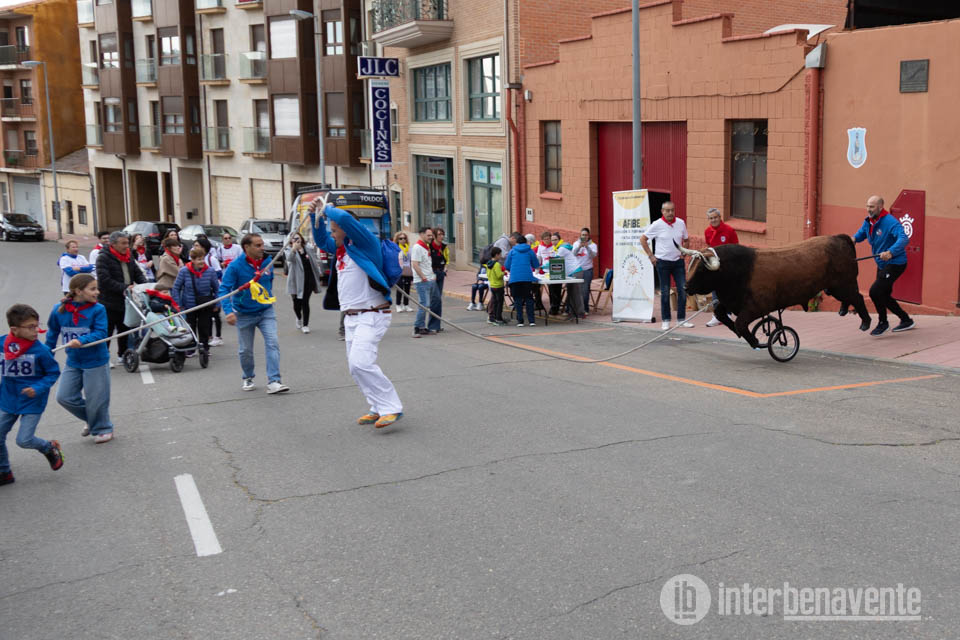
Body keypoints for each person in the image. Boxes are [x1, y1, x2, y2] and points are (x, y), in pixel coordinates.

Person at [309, 204, 403, 428]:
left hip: (372, 314)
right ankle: (377, 406)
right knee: (355, 367)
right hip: (351, 318)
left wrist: (327, 208)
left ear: (347, 229)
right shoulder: (341, 249)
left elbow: (344, 218)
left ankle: (391, 407)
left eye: (334, 230)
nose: (332, 234)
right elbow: (321, 241)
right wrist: (314, 216)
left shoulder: (366, 243)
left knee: (361, 363)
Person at [46, 274, 115, 443]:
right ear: (78, 291)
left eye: (97, 288)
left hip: (96, 361)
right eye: (92, 289)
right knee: (64, 397)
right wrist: (47, 357)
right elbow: (52, 334)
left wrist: (82, 340)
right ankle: (93, 419)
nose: (97, 292)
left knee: (96, 399)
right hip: (73, 361)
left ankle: (103, 427)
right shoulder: (58, 309)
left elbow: (101, 333)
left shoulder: (98, 309)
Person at [1, 304, 63, 486]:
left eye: (37, 325)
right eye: (30, 327)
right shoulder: (2, 344)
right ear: (14, 329)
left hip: (32, 401)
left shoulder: (40, 350)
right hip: (7, 399)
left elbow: (53, 372)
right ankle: (4, 472)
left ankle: (49, 447)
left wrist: (37, 387)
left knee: (24, 440)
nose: (36, 331)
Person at [219, 233, 289, 394]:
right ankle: (248, 376)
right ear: (246, 247)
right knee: (245, 350)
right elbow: (224, 289)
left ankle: (274, 381)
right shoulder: (235, 266)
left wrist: (266, 298)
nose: (262, 248)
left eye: (262, 244)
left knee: (272, 342)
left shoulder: (268, 262)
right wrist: (228, 311)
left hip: (266, 311)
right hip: (244, 313)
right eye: (258, 245)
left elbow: (269, 282)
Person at [853, 195, 914, 336]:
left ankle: (883, 322)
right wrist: (853, 239)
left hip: (895, 263)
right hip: (882, 264)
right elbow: (862, 233)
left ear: (880, 207)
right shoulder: (869, 221)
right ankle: (906, 320)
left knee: (875, 292)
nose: (868, 209)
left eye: (872, 206)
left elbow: (904, 238)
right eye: (867, 206)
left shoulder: (890, 222)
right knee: (884, 294)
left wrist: (891, 252)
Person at [640, 201, 695, 330]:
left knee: (682, 290)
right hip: (662, 262)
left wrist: (684, 253)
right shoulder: (657, 224)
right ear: (662, 211)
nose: (670, 213)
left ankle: (681, 320)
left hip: (678, 262)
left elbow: (686, 240)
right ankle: (666, 320)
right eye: (667, 210)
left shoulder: (681, 223)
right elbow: (643, 239)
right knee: (665, 292)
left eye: (672, 210)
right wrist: (651, 256)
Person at [96, 231, 146, 364]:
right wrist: (124, 287)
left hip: (126, 300)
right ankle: (103, 357)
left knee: (124, 329)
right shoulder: (103, 257)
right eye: (123, 243)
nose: (126, 246)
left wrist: (145, 285)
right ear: (113, 244)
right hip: (108, 301)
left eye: (127, 243)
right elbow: (104, 280)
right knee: (107, 331)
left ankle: (122, 355)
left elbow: (137, 273)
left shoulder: (129, 256)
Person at [173, 246, 220, 355]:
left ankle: (204, 348)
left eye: (203, 258)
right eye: (199, 259)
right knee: (190, 327)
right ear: (193, 260)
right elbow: (176, 288)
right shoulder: (184, 271)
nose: (202, 261)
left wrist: (217, 303)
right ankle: (191, 348)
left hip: (205, 304)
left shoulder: (210, 271)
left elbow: (217, 288)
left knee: (204, 327)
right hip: (189, 304)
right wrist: (178, 304)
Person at [703, 208, 739, 327]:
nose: (713, 220)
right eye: (711, 218)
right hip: (714, 266)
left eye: (715, 217)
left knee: (727, 291)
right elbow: (709, 247)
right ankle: (717, 316)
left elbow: (736, 248)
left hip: (727, 266)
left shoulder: (729, 230)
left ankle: (727, 314)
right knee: (715, 291)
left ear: (720, 217)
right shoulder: (707, 231)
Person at [284, 231, 321, 334]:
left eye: (298, 238)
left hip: (308, 279)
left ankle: (305, 325)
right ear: (290, 241)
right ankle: (299, 317)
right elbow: (290, 260)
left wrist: (318, 273)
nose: (296, 240)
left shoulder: (307, 248)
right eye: (294, 238)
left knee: (305, 302)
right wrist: (294, 249)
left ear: (301, 238)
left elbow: (313, 261)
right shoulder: (289, 250)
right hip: (295, 280)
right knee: (296, 303)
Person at [410, 226, 442, 337]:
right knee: (424, 304)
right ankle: (417, 328)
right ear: (421, 234)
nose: (430, 237)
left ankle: (425, 327)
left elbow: (427, 263)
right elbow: (415, 264)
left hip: (430, 279)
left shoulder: (425, 247)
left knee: (436, 301)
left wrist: (432, 275)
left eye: (431, 235)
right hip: (422, 281)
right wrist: (423, 277)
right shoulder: (417, 247)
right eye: (428, 235)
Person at [504, 233, 540, 327]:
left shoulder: (512, 251)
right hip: (527, 278)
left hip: (515, 279)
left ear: (517, 242)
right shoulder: (530, 251)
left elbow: (507, 265)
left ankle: (520, 321)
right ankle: (531, 321)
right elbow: (536, 265)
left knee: (518, 300)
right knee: (529, 299)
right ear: (526, 242)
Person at [194, 234, 224, 345]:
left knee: (215, 314)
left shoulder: (211, 259)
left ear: (203, 247)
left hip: (213, 289)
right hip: (203, 291)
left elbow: (219, 273)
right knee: (207, 316)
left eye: (197, 245)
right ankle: (209, 336)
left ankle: (218, 336)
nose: (194, 247)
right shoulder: (195, 259)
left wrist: (208, 277)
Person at [551, 234, 586, 320]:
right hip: (571, 273)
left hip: (575, 271)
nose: (553, 242)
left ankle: (581, 313)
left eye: (555, 240)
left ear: (559, 240)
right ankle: (572, 313)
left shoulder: (561, 249)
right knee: (571, 293)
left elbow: (555, 261)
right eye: (552, 240)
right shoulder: (558, 248)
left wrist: (542, 267)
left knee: (576, 294)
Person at [572, 228, 598, 316]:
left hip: (587, 270)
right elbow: (573, 254)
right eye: (583, 235)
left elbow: (593, 256)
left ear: (588, 236)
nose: (584, 236)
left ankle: (585, 309)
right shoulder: (576, 243)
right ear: (580, 235)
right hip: (577, 270)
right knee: (576, 289)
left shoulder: (593, 245)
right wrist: (579, 246)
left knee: (585, 290)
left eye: (586, 235)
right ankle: (576, 308)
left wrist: (587, 247)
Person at [536, 231, 562, 315]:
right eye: (545, 239)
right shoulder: (540, 247)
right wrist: (537, 269)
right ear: (542, 240)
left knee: (556, 290)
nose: (547, 240)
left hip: (556, 270)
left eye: (548, 239)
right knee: (551, 290)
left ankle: (555, 307)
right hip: (546, 271)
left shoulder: (554, 246)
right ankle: (552, 306)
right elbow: (539, 258)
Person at [485, 247, 507, 325]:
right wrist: (504, 272)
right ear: (496, 255)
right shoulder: (497, 264)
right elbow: (499, 275)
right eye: (500, 254)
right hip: (499, 286)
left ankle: (493, 317)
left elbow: (488, 274)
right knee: (499, 303)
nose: (501, 256)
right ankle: (499, 318)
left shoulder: (488, 263)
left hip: (492, 285)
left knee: (495, 302)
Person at [393, 231, 414, 313]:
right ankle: (398, 305)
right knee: (400, 288)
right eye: (400, 238)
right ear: (397, 240)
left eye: (404, 238)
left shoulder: (409, 249)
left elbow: (411, 260)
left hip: (408, 271)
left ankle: (406, 305)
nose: (403, 240)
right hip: (399, 271)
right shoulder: (396, 249)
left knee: (407, 289)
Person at [431, 227, 449, 294]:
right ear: (434, 236)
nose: (442, 236)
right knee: (434, 294)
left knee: (439, 293)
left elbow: (447, 260)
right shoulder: (429, 246)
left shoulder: (444, 247)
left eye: (442, 234)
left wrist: (445, 268)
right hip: (432, 272)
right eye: (439, 234)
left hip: (441, 272)